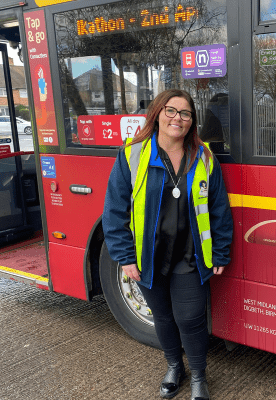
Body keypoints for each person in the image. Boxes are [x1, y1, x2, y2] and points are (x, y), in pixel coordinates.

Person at [102, 89, 233, 400]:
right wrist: (125, 256)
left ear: (192, 121)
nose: (178, 118)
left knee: (191, 318)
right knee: (162, 316)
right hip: (150, 257)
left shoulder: (204, 157)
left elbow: (219, 209)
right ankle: (175, 366)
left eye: (186, 114)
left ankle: (199, 375)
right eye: (171, 111)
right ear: (158, 114)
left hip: (190, 255)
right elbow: (114, 210)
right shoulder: (132, 154)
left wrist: (221, 250)